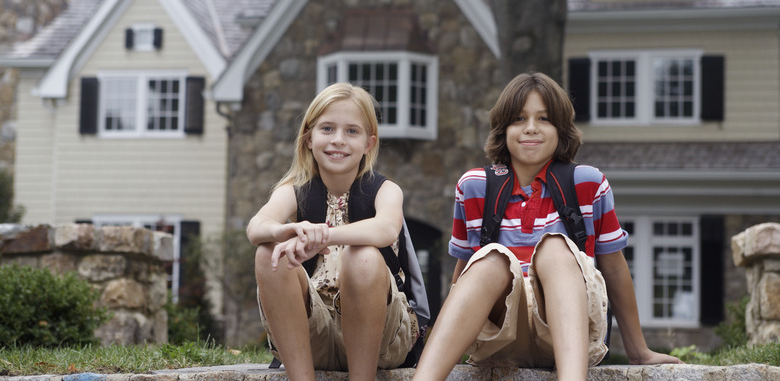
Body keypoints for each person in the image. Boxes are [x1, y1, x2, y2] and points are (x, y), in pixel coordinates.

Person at [412, 72, 682, 381]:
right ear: (503, 129)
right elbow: (464, 275)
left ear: (561, 129)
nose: (530, 128)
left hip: (569, 331)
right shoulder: (475, 186)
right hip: (500, 334)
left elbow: (615, 267)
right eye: (519, 118)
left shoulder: (588, 183)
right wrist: (449, 349)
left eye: (543, 119)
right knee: (490, 261)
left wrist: (638, 351)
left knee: (555, 247)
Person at [246, 83, 418, 381]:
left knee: (362, 256)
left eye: (352, 131)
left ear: (369, 143)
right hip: (312, 332)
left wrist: (324, 236)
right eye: (327, 129)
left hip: (381, 338)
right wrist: (287, 230)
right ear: (308, 138)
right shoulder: (294, 192)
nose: (338, 140)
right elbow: (256, 227)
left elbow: (386, 228)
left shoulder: (385, 190)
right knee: (268, 251)